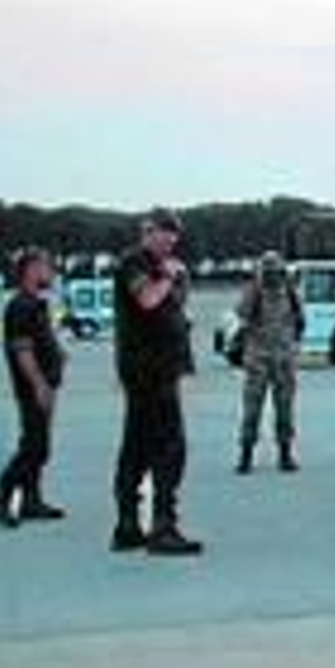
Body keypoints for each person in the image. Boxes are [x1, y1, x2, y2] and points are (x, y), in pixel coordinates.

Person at [111, 208, 202, 555]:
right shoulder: (135, 262)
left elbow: (174, 308)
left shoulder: (161, 266)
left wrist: (178, 284)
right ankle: (162, 527)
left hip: (159, 368)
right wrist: (168, 276)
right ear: (147, 232)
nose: (170, 241)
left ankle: (129, 525)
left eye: (174, 234)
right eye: (164, 233)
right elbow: (148, 299)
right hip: (148, 370)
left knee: (137, 445)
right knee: (168, 448)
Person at [0, 248, 67, 528]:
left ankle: (31, 500)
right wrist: (40, 384)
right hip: (33, 387)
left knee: (36, 443)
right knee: (35, 447)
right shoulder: (21, 306)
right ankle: (0, 497)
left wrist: (57, 358)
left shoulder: (35, 303)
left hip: (46, 384)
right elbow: (23, 351)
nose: (51, 271)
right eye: (46, 266)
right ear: (31, 269)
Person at [235, 252, 303, 474]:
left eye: (276, 271)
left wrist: (292, 345)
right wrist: (255, 287)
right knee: (252, 408)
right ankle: (246, 453)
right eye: (269, 271)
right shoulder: (254, 290)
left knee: (285, 408)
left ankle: (285, 453)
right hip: (259, 357)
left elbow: (300, 319)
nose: (273, 276)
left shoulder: (289, 290)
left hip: (283, 356)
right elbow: (242, 314)